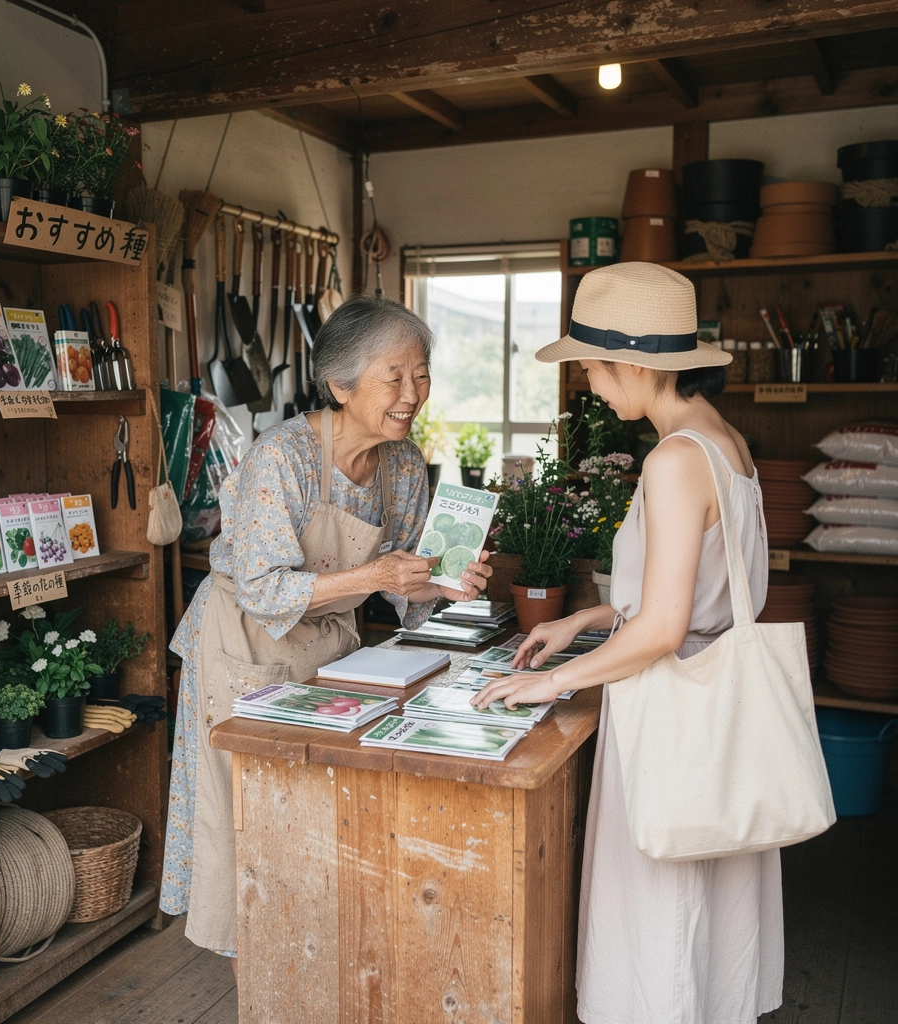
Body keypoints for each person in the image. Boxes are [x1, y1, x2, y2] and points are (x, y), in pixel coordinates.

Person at [472, 262, 782, 1024]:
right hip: (718, 712)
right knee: (708, 916)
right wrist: (583, 620)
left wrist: (551, 684)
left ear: (636, 364)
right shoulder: (724, 444)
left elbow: (667, 625)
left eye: (590, 363)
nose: (586, 379)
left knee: (661, 923)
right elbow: (698, 594)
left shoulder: (674, 461)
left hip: (674, 715)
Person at [162, 294, 492, 970]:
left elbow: (405, 581)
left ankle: (323, 965)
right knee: (250, 819)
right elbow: (262, 589)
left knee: (324, 813)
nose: (412, 393)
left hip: (328, 646)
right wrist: (378, 576)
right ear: (341, 386)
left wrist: (445, 583)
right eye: (393, 376)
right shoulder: (282, 458)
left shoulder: (402, 464)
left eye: (421, 373)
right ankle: (261, 977)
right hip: (243, 646)